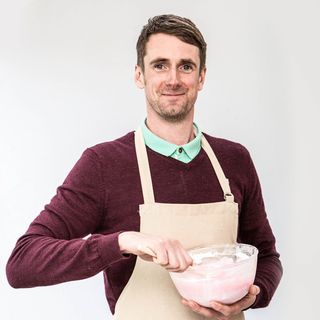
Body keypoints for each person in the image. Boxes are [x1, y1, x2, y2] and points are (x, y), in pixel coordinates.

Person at [6, 14, 282, 320]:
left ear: (201, 77)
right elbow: (22, 264)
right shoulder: (104, 165)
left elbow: (267, 255)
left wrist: (253, 294)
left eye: (186, 66)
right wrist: (123, 241)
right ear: (140, 75)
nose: (173, 79)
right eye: (160, 65)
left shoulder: (234, 159)